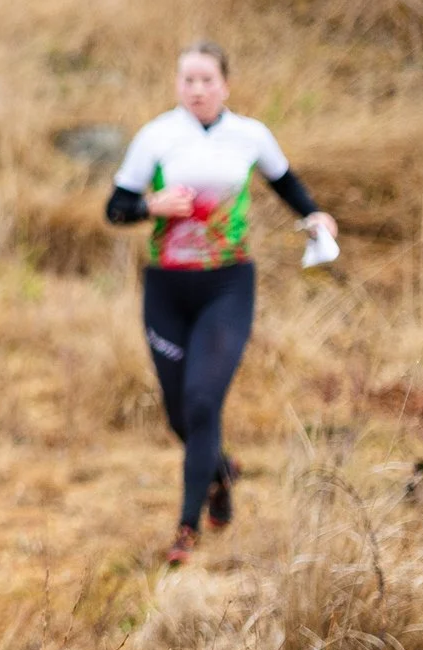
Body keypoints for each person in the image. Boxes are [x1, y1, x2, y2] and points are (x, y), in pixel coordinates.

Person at [106, 41, 335, 567]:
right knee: (180, 414)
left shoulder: (249, 136)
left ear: (225, 86)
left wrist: (317, 216)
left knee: (204, 401)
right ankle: (221, 471)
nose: (197, 89)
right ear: (177, 86)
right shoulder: (156, 137)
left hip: (227, 286)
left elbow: (287, 184)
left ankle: (186, 529)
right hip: (166, 288)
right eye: (188, 80)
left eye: (207, 80)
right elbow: (115, 208)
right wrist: (149, 205)